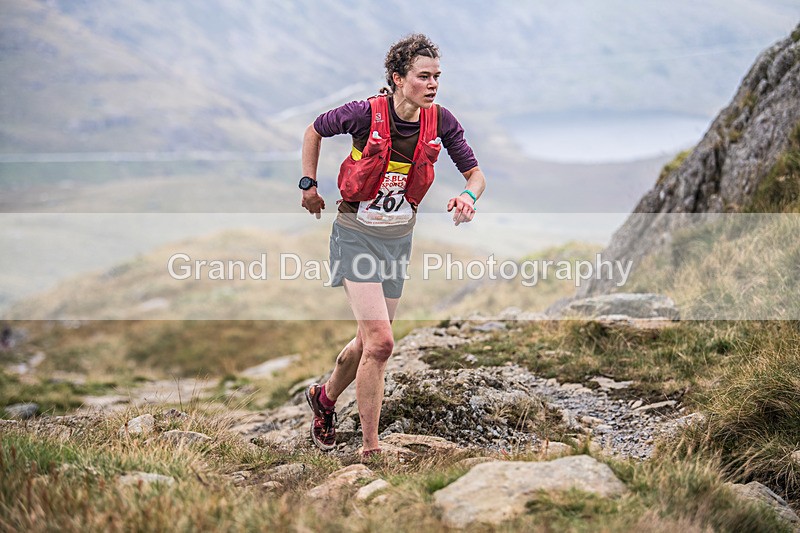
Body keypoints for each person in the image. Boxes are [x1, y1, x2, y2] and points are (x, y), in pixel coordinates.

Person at [299, 33, 486, 457]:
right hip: (356, 234)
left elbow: (476, 176)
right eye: (424, 76)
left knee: (368, 342)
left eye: (437, 76)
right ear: (398, 78)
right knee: (382, 342)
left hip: (397, 241)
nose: (433, 84)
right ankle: (370, 449)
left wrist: (467, 197)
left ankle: (324, 400)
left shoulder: (442, 122)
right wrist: (309, 184)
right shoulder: (364, 113)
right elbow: (314, 130)